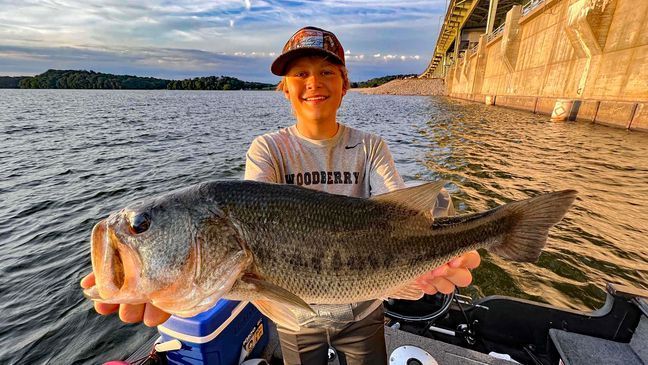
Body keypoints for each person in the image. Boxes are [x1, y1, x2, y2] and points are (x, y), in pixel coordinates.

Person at [80, 26, 481, 364]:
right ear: (284, 89)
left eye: (327, 71)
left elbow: (399, 209)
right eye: (300, 73)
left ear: (345, 85)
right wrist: (187, 286)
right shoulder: (267, 150)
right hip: (293, 322)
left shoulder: (370, 146)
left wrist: (438, 242)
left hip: (364, 309)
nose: (313, 82)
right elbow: (253, 214)